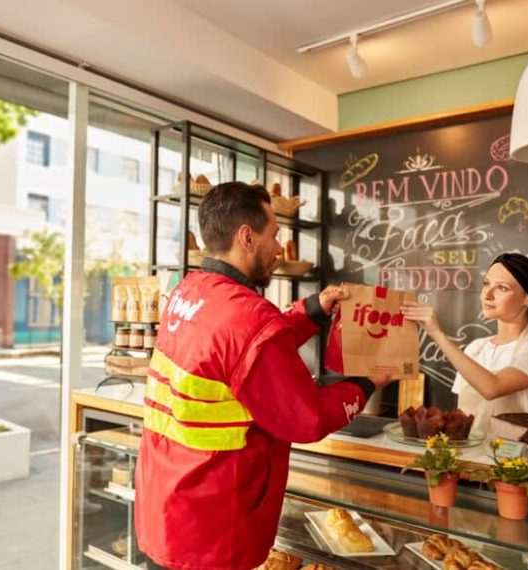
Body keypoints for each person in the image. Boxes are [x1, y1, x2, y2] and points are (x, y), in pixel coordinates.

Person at [135, 182, 392, 570]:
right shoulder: (247, 317)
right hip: (212, 533)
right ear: (246, 236)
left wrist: (313, 309)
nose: (278, 248)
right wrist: (366, 383)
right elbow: (307, 418)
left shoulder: (188, 291)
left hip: (167, 511)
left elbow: (242, 349)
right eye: (274, 235)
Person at [401, 253, 528, 432]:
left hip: (522, 450)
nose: (488, 295)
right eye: (486, 284)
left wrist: (436, 333)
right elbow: (463, 416)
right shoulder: (476, 348)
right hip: (475, 449)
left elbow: (492, 388)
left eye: (502, 288)